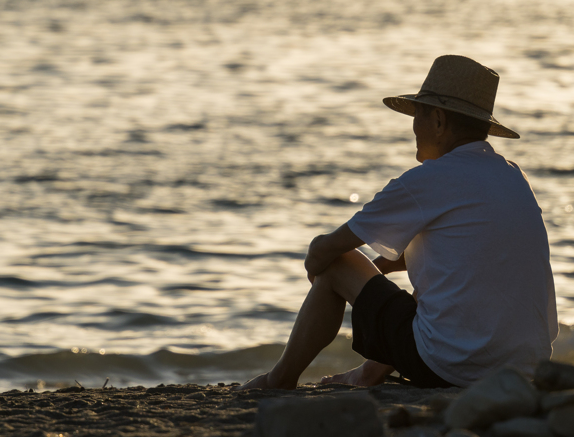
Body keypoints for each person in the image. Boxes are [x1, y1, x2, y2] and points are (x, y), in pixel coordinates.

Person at [237, 55, 557, 390]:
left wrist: (321, 271)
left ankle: (278, 380)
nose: (413, 127)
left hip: (452, 369)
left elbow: (325, 251)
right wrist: (385, 266)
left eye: (417, 114)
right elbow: (470, 254)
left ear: (437, 120)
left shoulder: (429, 180)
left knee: (338, 265)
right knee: (439, 292)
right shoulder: (513, 177)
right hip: (525, 368)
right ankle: (369, 372)